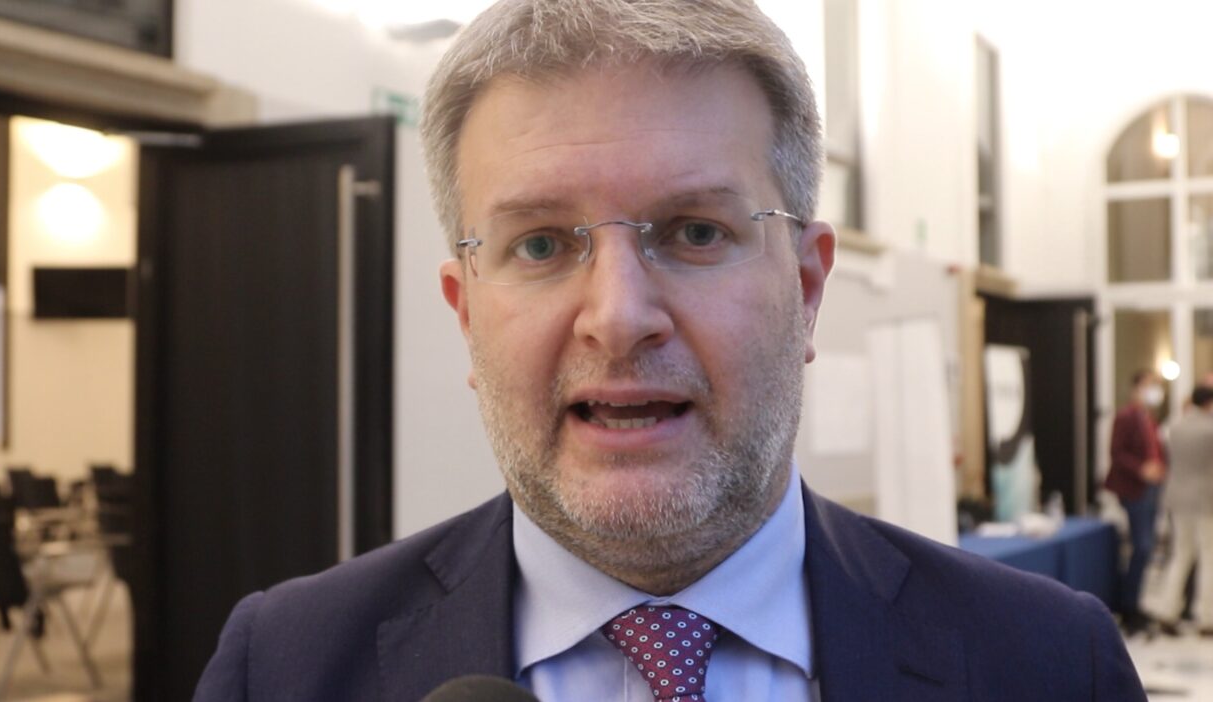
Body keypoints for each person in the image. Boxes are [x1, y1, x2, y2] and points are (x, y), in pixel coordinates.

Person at [195, 1, 1144, 699]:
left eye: (694, 232)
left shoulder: (1051, 664)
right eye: (541, 244)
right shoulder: (281, 669)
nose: (618, 317)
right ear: (466, 314)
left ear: (807, 289)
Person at [1147, 385, 1213, 636]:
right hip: (1204, 499)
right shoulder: (1209, 429)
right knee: (1208, 557)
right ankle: (1206, 617)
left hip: (1177, 498)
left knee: (1181, 554)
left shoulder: (1175, 426)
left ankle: (1167, 610)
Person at [1106, 369, 1168, 634]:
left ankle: (1135, 603)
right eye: (1150, 385)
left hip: (1151, 488)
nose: (1154, 390)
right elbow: (1117, 453)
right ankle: (1128, 606)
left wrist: (1160, 468)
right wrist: (1142, 468)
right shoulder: (1125, 417)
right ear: (1137, 387)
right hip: (1134, 489)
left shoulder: (1149, 419)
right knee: (1141, 546)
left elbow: (1157, 451)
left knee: (1147, 547)